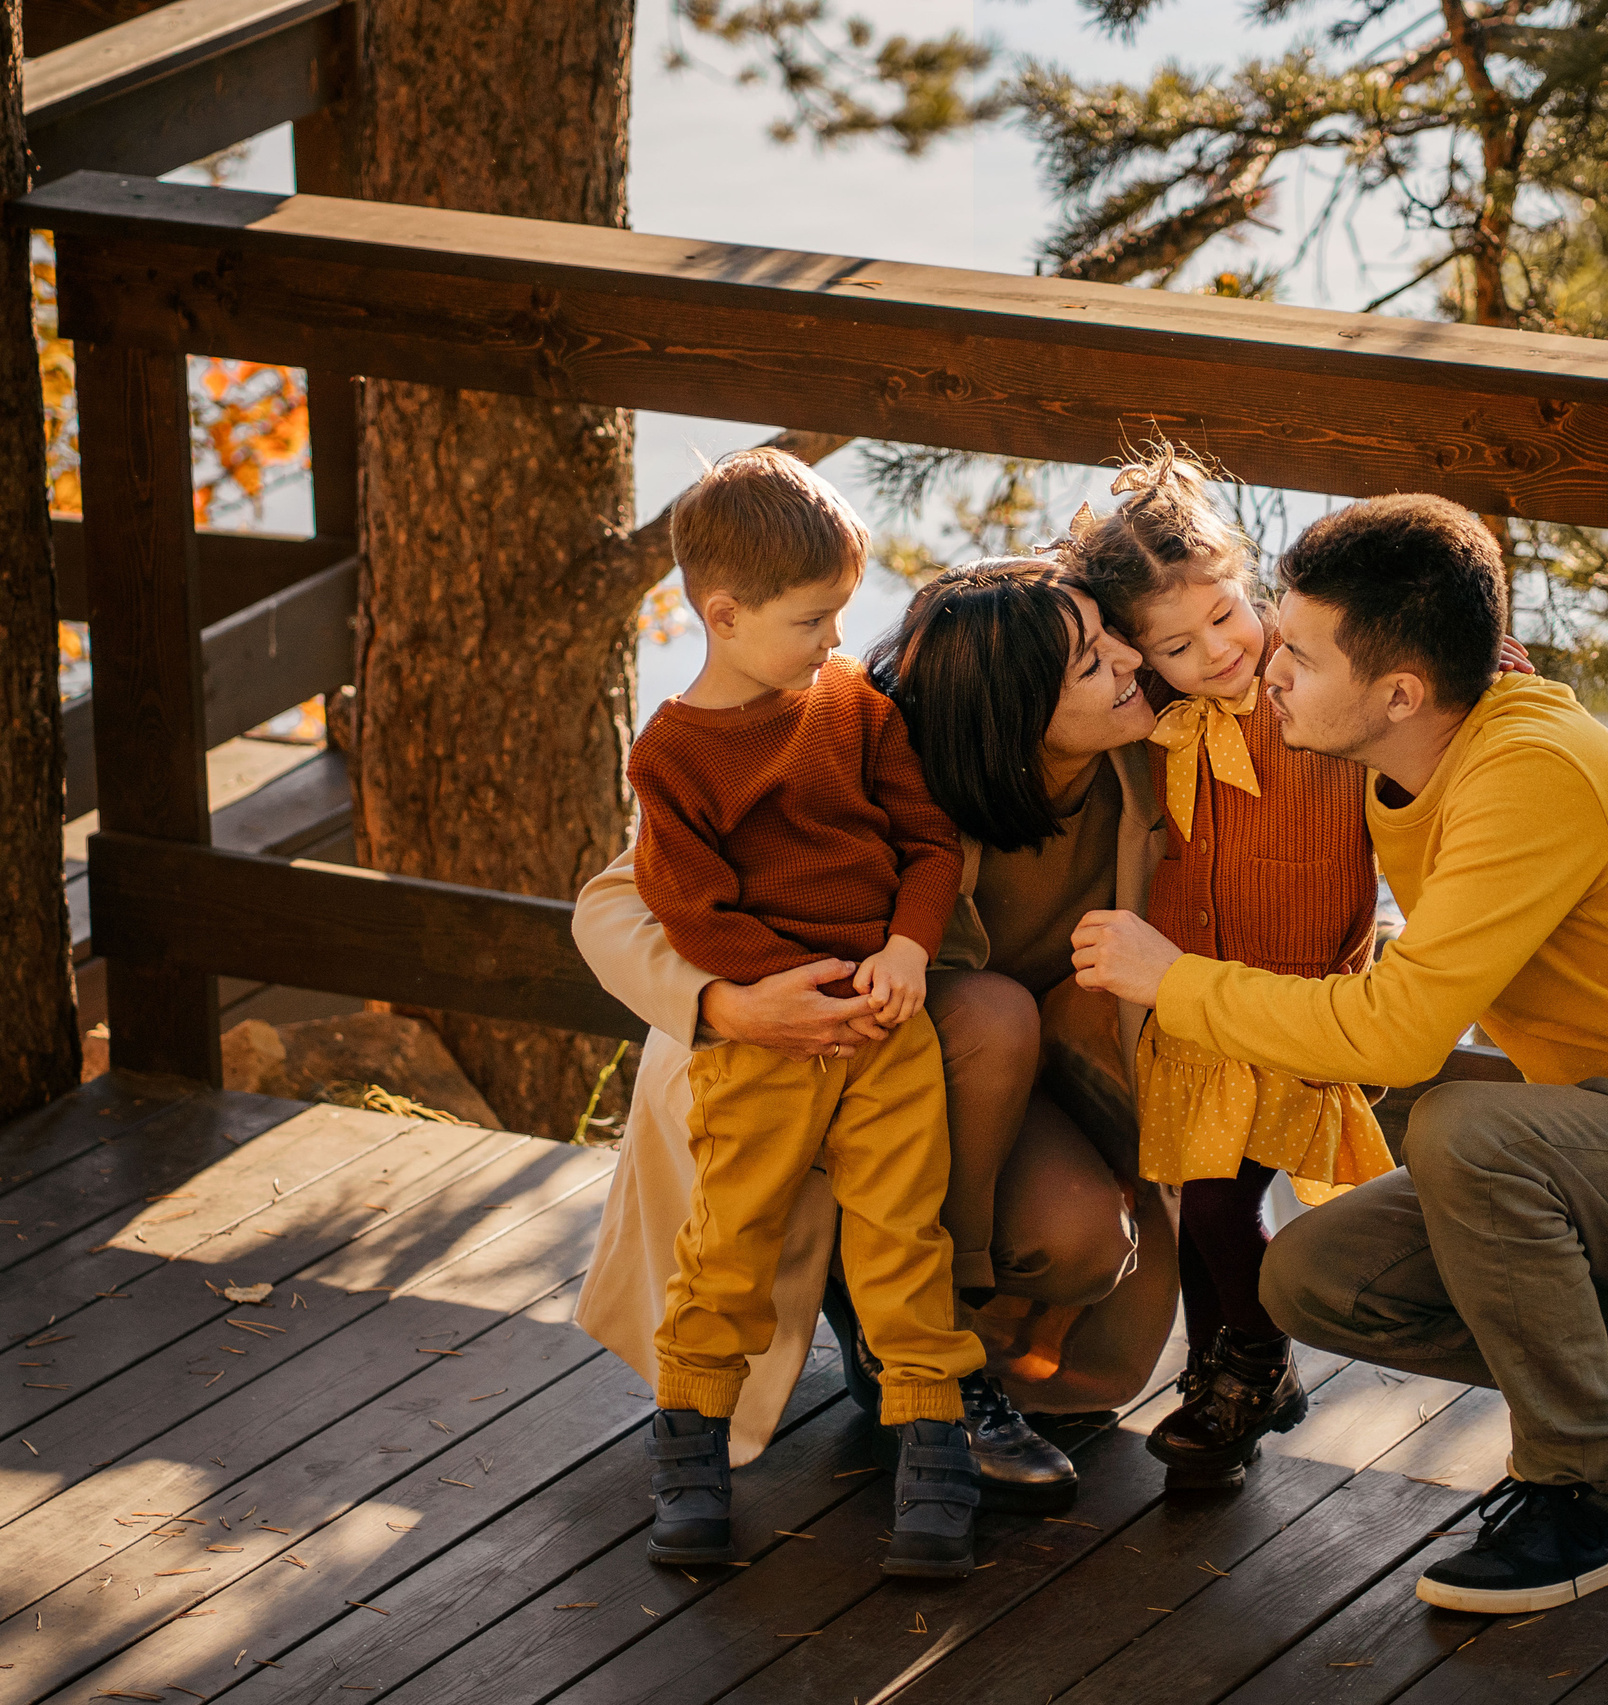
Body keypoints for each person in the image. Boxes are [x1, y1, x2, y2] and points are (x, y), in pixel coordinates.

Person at [1072, 493, 1608, 1614]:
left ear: (1399, 692)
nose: (1265, 669)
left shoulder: (1527, 774)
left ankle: (1594, 1497)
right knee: (1309, 1277)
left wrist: (1175, 982)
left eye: (1295, 654)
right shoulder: (1411, 733)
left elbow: (1399, 1030)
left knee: (1461, 1122)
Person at [573, 556, 1177, 1520]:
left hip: (1010, 1080)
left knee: (1081, 1245)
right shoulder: (867, 734)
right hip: (841, 1055)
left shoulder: (1156, 742)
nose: (1129, 657)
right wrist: (729, 1005)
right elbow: (613, 903)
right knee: (987, 1012)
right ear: (1011, 707)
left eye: (1110, 632)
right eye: (1088, 656)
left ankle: (935, 1345)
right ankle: (921, 1354)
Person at [619, 448, 982, 1579]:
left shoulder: (852, 709)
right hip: (773, 1034)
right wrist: (784, 996)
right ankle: (689, 1438)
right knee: (726, 1243)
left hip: (883, 1026)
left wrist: (908, 948)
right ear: (721, 616)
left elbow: (927, 840)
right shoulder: (670, 759)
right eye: (813, 619)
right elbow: (691, 912)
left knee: (903, 1236)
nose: (835, 641)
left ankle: (932, 1434)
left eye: (840, 615)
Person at [1057, 450, 1390, 1490]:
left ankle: (1257, 1361)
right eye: (1175, 644)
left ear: (1252, 588)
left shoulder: (1319, 688)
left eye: (1227, 616)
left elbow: (1425, 671)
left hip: (1290, 999)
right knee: (1199, 1206)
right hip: (1186, 999)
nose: (1216, 651)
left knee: (1216, 1207)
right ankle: (1220, 1379)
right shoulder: (1147, 712)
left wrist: (1490, 664)